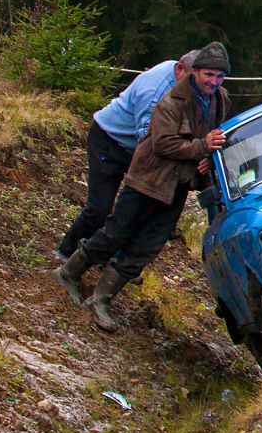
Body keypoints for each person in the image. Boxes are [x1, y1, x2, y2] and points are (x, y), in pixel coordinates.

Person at [54, 42, 232, 332]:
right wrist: (202, 146)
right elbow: (162, 144)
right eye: (209, 74)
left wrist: (206, 160)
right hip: (147, 179)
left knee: (147, 246)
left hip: (177, 185)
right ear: (195, 72)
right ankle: (67, 273)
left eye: (219, 77)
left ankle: (100, 300)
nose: (213, 82)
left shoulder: (220, 100)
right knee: (115, 233)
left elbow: (214, 140)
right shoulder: (170, 100)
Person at [56, 50, 199, 261]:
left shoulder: (181, 79)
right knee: (100, 207)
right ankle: (65, 251)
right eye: (192, 80)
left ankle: (108, 255)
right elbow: (148, 138)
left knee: (134, 208)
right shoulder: (155, 92)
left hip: (134, 146)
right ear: (180, 69)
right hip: (109, 141)